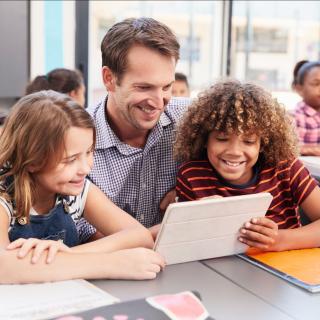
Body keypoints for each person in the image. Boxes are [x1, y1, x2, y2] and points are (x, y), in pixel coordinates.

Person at [0, 90, 165, 284]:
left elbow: (141, 236)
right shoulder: (4, 198)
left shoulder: (79, 192)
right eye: (70, 160)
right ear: (33, 160)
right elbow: (4, 267)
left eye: (88, 152)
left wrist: (68, 254)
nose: (86, 168)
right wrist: (112, 263)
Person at [174, 79, 320, 252]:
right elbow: (184, 242)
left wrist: (279, 240)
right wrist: (197, 217)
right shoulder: (191, 175)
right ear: (204, 139)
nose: (235, 151)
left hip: (288, 271)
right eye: (222, 139)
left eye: (249, 141)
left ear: (263, 143)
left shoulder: (286, 167)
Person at [86, 17, 190, 238]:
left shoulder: (192, 120)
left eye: (167, 86)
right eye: (144, 87)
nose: (159, 101)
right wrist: (187, 221)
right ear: (109, 78)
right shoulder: (76, 139)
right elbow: (84, 237)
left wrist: (197, 193)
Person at [291, 60, 320, 156]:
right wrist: (314, 150)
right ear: (299, 89)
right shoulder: (295, 117)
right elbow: (288, 148)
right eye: (316, 84)